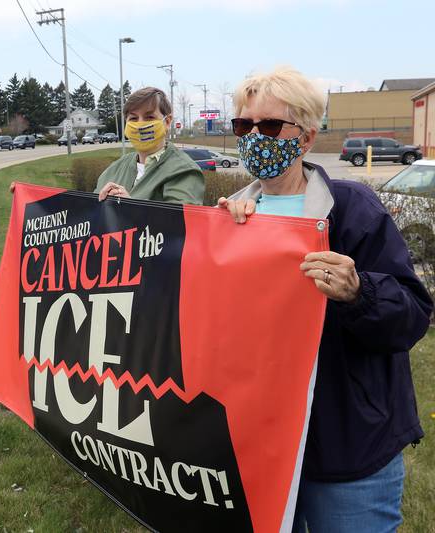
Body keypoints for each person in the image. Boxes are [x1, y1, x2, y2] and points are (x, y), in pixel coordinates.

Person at [218, 67, 432, 532]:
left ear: (306, 137)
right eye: (244, 126)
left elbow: (412, 315)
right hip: (263, 449)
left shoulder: (353, 208)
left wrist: (359, 292)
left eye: (271, 126)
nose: (256, 137)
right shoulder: (230, 218)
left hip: (349, 448)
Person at [95, 86, 204, 204]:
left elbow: (178, 220)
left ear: (167, 122)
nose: (140, 124)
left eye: (149, 117)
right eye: (133, 118)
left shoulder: (183, 171)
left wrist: (130, 208)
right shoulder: (115, 169)